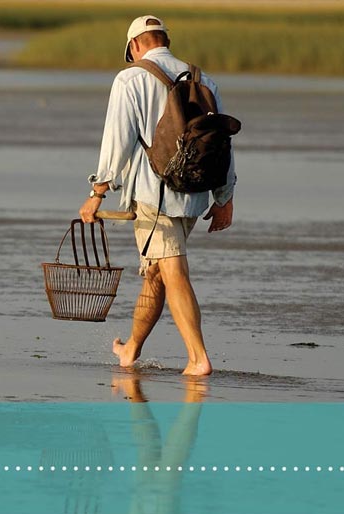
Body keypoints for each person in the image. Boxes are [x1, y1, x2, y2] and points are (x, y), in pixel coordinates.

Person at [79, 15, 236, 376]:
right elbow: (222, 144)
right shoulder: (203, 79)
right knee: (157, 273)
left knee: (173, 270)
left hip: (155, 195)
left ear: (135, 46)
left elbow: (116, 144)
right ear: (164, 39)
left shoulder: (130, 78)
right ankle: (131, 348)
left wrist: (97, 192)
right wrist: (225, 197)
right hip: (195, 195)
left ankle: (198, 359)